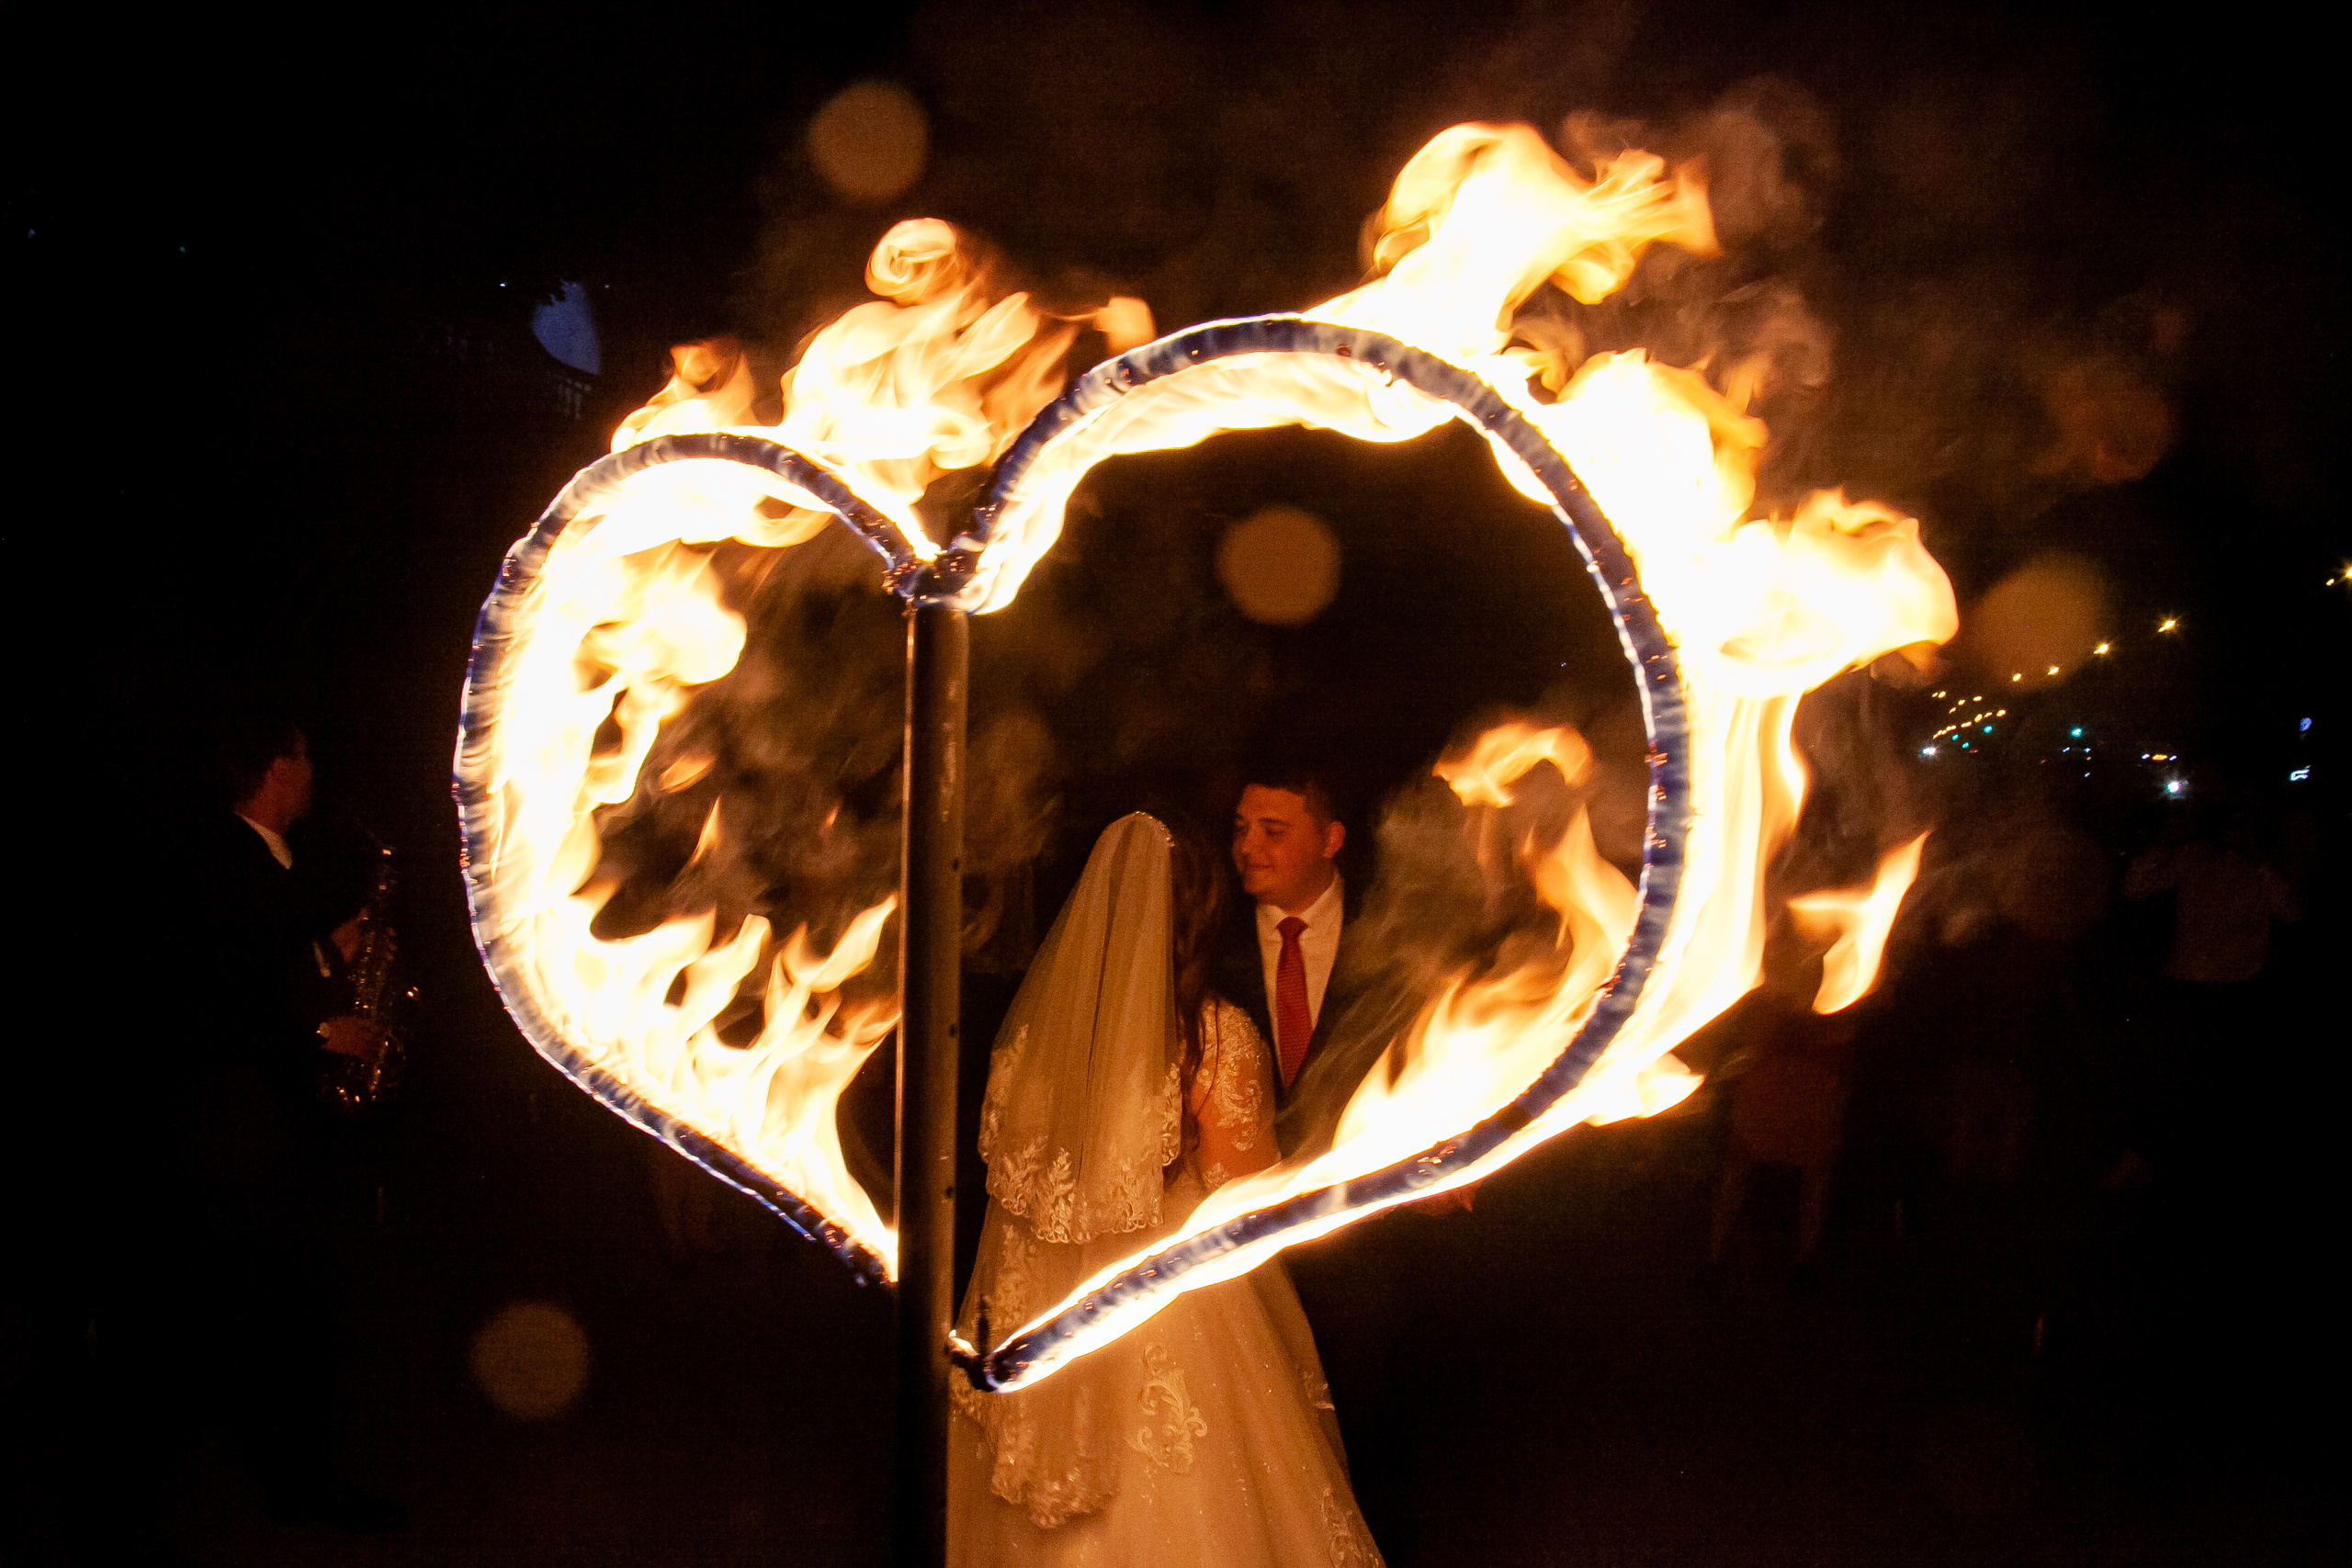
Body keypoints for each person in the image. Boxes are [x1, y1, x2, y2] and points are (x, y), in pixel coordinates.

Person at [948, 813, 1383, 1567]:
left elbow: (1022, 1187)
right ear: (1198, 915)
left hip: (1036, 1313)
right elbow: (1252, 1203)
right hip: (1176, 1310)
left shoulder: (1031, 1041)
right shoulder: (1216, 1037)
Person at [174, 713, 402, 1533]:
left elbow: (263, 968)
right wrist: (317, 1031)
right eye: (304, 755)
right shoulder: (223, 862)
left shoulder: (270, 862)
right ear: (276, 768)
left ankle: (303, 1477)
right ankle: (297, 1485)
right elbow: (208, 1002)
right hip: (249, 1137)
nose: (314, 770)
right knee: (280, 1322)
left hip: (280, 1131)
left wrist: (331, 954)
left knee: (299, 1318)